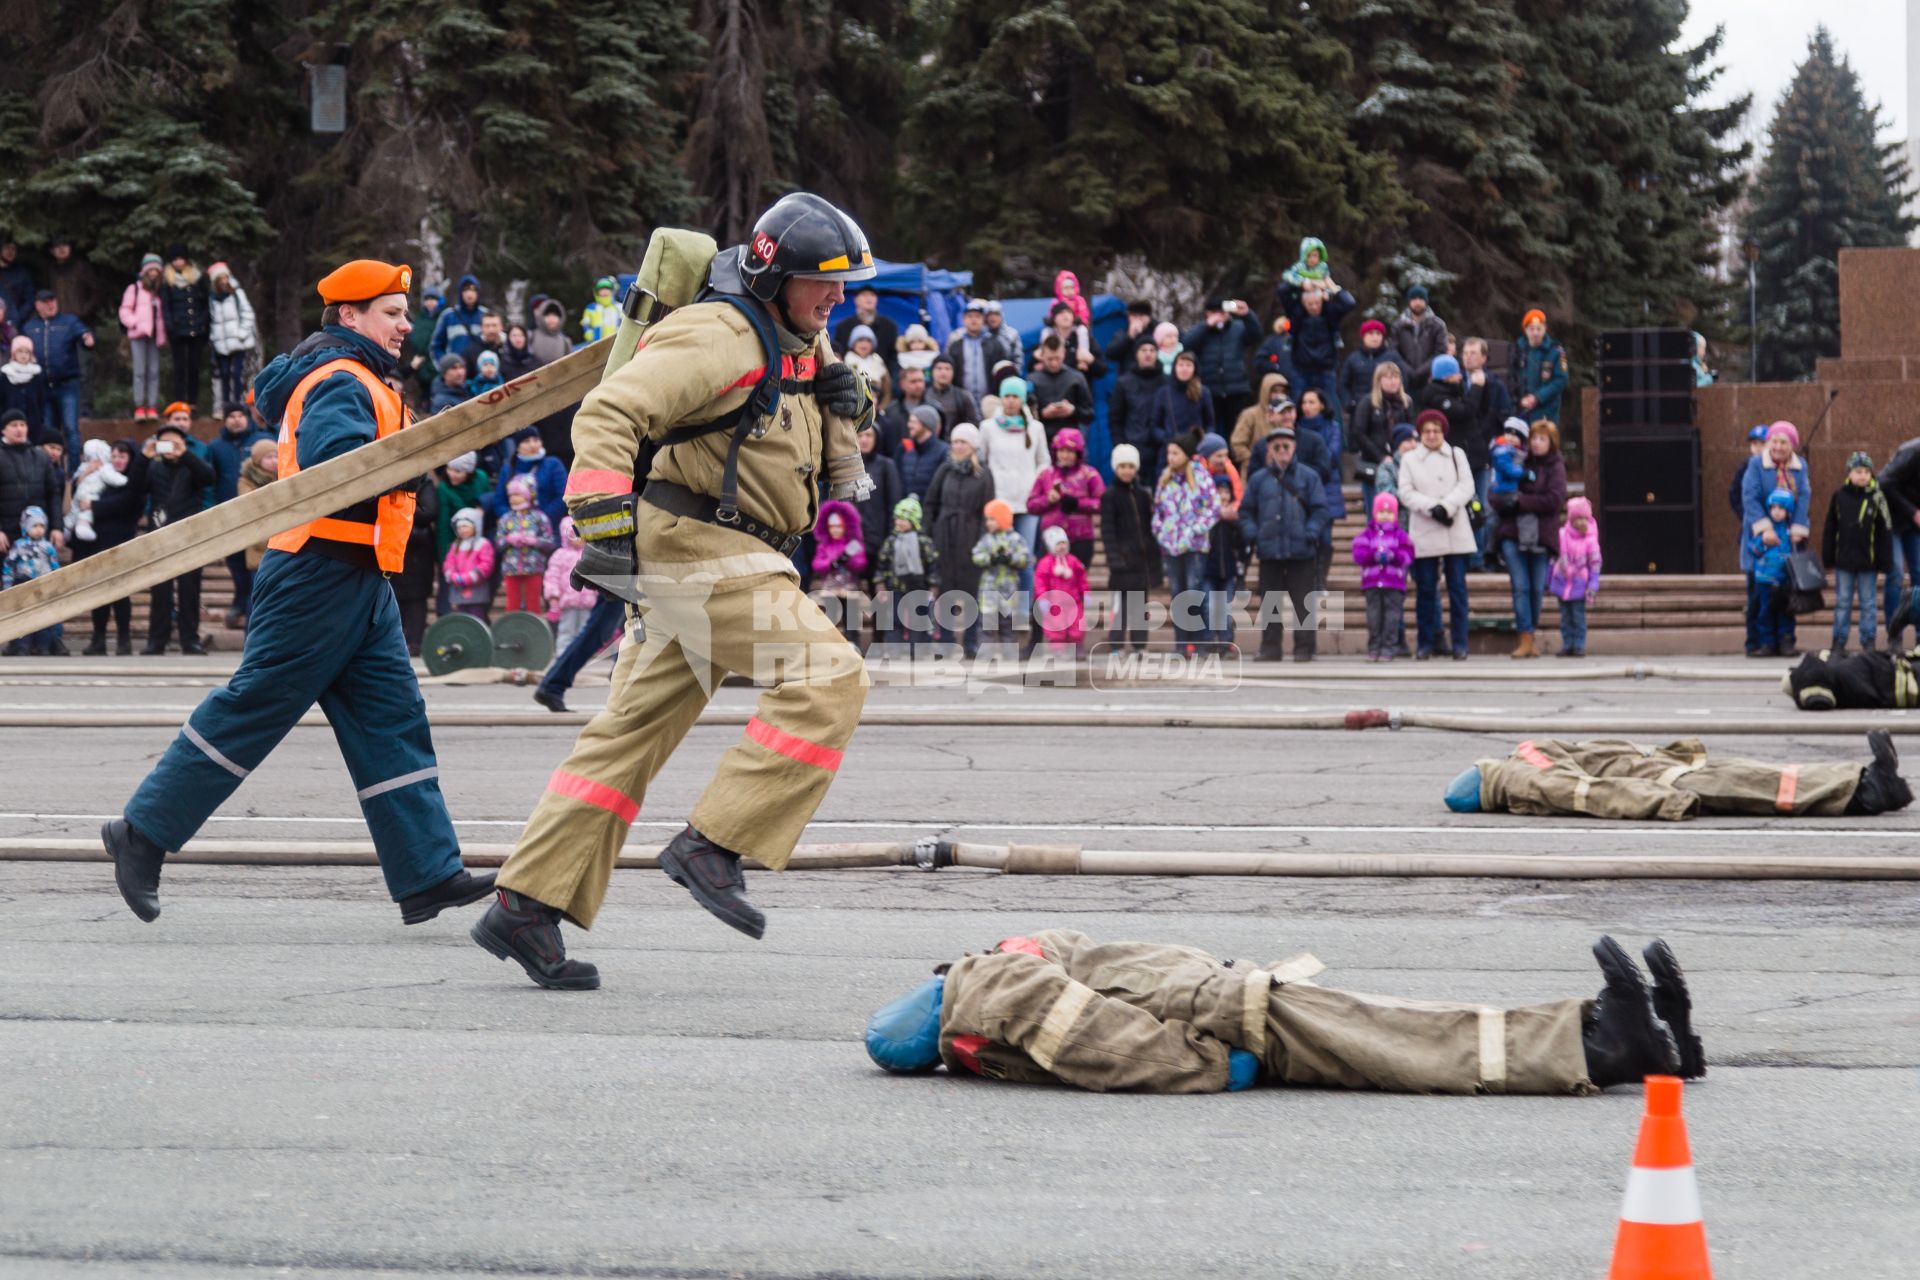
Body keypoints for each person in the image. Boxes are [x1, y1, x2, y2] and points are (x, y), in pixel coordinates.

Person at [473, 194, 880, 985]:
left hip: (728, 552)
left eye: (845, 283)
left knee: (625, 738)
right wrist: (600, 519)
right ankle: (713, 843)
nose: (839, 297)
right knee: (830, 678)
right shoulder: (719, 333)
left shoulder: (800, 335)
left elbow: (809, 420)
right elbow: (609, 412)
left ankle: (526, 905)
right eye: (823, 281)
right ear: (771, 275)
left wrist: (856, 399)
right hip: (700, 550)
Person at [102, 258, 496, 928]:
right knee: (256, 706)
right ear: (350, 315)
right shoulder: (342, 379)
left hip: (357, 573)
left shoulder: (365, 377)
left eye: (405, 313)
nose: (407, 324)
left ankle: (427, 872)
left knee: (392, 722)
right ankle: (141, 832)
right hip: (319, 571)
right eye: (393, 313)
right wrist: (414, 467)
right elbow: (336, 468)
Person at [864, 929, 1703, 1096]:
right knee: (1409, 1041)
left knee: (1407, 1035)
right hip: (1229, 1009)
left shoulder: (996, 987)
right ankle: (1608, 1045)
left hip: (1227, 1006)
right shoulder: (1003, 986)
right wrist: (1213, 1061)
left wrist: (1207, 1057)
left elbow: (1099, 1032)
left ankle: (1626, 1040)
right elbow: (1109, 1041)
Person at [1445, 732, 1910, 821]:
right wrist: (1660, 803)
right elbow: (1591, 792)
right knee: (1763, 785)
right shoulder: (1525, 768)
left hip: (1663, 775)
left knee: (1764, 780)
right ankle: (1868, 789)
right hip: (1665, 780)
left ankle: (1866, 780)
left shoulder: (1524, 772)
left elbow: (1590, 787)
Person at [1240, 423, 1327, 662]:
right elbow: (1246, 511)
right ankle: (1270, 647)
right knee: (1270, 604)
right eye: (1277, 446)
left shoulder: (1308, 477)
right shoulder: (1259, 479)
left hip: (1301, 551)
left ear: (1294, 447)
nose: (1282, 450)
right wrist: (1254, 534)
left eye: (1286, 445)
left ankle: (1305, 648)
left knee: (1303, 603)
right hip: (1269, 551)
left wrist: (1310, 532)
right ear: (1269, 449)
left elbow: (1320, 510)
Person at [1398, 408, 1475, 660]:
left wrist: (1447, 506)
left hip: (1455, 528)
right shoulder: (1410, 459)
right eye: (1427, 431)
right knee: (1426, 591)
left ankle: (1460, 643)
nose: (1432, 435)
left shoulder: (1456, 454)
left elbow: (1467, 485)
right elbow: (1405, 492)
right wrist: (1433, 508)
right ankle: (1426, 642)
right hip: (1425, 529)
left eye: (1436, 430)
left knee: (1457, 590)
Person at [140, 418, 215, 654]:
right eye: (165, 443)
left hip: (189, 534)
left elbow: (209, 477)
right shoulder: (153, 466)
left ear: (184, 444)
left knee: (190, 590)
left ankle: (190, 639)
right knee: (160, 590)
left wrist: (186, 455)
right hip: (159, 534)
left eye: (175, 443)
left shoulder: (191, 465)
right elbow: (135, 486)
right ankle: (157, 640)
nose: (170, 448)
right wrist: (145, 457)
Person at [1495, 419, 1568, 659]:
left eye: (1542, 439)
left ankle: (1531, 633)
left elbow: (1554, 499)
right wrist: (1506, 501)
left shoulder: (1555, 467)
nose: (1536, 444)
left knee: (1537, 588)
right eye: (1534, 439)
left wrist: (1521, 502)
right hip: (1512, 533)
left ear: (1551, 443)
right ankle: (1524, 637)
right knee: (1520, 586)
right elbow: (1497, 492)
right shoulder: (1515, 459)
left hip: (1542, 536)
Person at [1741, 421, 1811, 657]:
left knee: (1786, 599)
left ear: (1792, 445)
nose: (1779, 446)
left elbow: (1803, 499)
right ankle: (1756, 643)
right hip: (1762, 538)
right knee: (1757, 597)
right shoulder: (1756, 465)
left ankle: (1785, 642)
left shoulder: (1800, 467)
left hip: (1788, 543)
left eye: (1784, 442)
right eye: (1775, 441)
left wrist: (1799, 529)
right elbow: (1749, 497)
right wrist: (1765, 529)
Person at [925, 422, 995, 656]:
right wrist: (930, 533)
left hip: (971, 537)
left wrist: (983, 540)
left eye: (963, 441)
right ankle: (946, 641)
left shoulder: (984, 473)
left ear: (973, 445)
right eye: (955, 441)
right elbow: (931, 503)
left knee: (970, 592)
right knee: (945, 591)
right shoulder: (945, 470)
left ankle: (971, 641)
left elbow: (989, 509)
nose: (958, 446)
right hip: (945, 535)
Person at [1152, 431, 1220, 657]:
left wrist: (1195, 530)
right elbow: (1158, 510)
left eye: (1175, 453)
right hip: (1171, 546)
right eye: (1168, 453)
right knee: (1177, 593)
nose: (1170, 457)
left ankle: (1202, 641)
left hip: (1194, 546)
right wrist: (1160, 532)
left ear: (1187, 455)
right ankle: (1181, 644)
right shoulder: (1166, 479)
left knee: (1194, 591)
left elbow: (1212, 508)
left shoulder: (1201, 478)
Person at [977, 376, 1049, 590]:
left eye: (1015, 396)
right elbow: (982, 460)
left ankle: (1022, 612)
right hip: (998, 501)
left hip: (1027, 502)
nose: (1010, 401)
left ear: (1022, 399)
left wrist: (1037, 486)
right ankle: (995, 609)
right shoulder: (988, 427)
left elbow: (1044, 461)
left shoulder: (1035, 428)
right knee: (996, 558)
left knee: (1024, 558)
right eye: (1006, 396)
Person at [79, 438, 148, 654]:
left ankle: (123, 639)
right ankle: (98, 638)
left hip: (122, 540)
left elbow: (128, 502)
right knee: (99, 593)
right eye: (114, 456)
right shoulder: (103, 477)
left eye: (122, 456)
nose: (117, 461)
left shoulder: (133, 481)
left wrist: (95, 505)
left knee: (121, 593)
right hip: (98, 539)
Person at [206, 405, 272, 627]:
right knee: (235, 562)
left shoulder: (262, 439)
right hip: (230, 513)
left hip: (261, 516)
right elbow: (210, 480)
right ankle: (240, 598)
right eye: (231, 416)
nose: (236, 420)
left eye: (240, 416)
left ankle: (250, 603)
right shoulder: (216, 447)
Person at [1823, 451, 1893, 656]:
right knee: (1843, 601)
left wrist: (1885, 561)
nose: (1862, 476)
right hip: (1844, 561)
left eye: (1866, 472)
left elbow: (1885, 531)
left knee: (1869, 602)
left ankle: (1868, 640)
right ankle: (1839, 640)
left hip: (1868, 562)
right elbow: (1830, 528)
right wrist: (1828, 557)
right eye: (1858, 471)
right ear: (1849, 473)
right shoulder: (1839, 496)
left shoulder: (1878, 497)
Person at [1100, 443, 1161, 651]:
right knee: (1121, 608)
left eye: (1130, 466)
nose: (1127, 471)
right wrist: (1115, 558)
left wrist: (1153, 560)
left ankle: (1139, 646)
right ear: (1116, 468)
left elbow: (1149, 529)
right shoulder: (1109, 496)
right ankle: (1116, 646)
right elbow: (1107, 531)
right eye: (1122, 466)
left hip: (1141, 564)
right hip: (1122, 565)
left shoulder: (1143, 495)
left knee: (1140, 609)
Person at [22, 289, 94, 460]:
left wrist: (88, 338)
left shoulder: (69, 322)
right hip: (42, 386)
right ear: (37, 305)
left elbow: (84, 334)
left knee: (70, 428)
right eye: (46, 302)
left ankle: (74, 473)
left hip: (67, 385)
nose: (51, 305)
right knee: (48, 431)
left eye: (53, 300)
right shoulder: (30, 327)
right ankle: (52, 473)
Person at [1026, 426, 1104, 569]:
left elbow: (1102, 503)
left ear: (1078, 452)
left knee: (1075, 584)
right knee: (1050, 585)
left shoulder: (1089, 474)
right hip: (1051, 538)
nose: (1065, 455)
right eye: (1061, 450)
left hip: (1081, 538)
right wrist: (1047, 500)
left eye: (1070, 451)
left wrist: (1077, 503)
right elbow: (1031, 505)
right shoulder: (1046, 474)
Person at [1278, 280, 1355, 424]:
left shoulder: (1330, 312)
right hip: (1301, 369)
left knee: (1330, 408)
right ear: (1303, 302)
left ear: (1322, 300)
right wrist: (1301, 283)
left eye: (1317, 303)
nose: (1314, 307)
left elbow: (1349, 303)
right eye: (1309, 304)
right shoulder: (1296, 313)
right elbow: (1282, 290)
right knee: (1299, 408)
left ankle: (1335, 441)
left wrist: (1330, 285)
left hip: (1326, 369)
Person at [1195, 433, 1243, 652]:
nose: (1223, 459)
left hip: (1228, 566)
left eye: (1225, 455)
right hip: (1206, 563)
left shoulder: (1232, 517)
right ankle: (1206, 640)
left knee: (1225, 606)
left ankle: (1225, 642)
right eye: (1218, 455)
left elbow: (1240, 541)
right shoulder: (1197, 477)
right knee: (1207, 604)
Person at [1352, 492, 1414, 662]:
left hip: (1393, 582)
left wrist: (1394, 556)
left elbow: (1408, 554)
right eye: (1381, 512)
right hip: (1372, 582)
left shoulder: (1400, 535)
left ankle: (1389, 648)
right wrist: (1373, 556)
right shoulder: (1367, 534)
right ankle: (1374, 648)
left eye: (1389, 512)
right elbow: (1358, 554)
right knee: (1374, 617)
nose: (1385, 515)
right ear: (1375, 513)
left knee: (1392, 618)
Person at [1348, 359, 1415, 516]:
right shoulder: (1368, 402)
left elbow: (1411, 431)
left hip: (1402, 465)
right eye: (1387, 377)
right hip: (1374, 464)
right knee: (1376, 512)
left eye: (1395, 377)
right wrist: (1381, 456)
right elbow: (1359, 432)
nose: (1392, 382)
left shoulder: (1407, 402)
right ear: (1378, 380)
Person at [1294, 387, 1343, 591]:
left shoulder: (1332, 427)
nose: (1307, 407)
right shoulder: (1295, 429)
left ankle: (1320, 578)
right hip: (1300, 489)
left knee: (1324, 536)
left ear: (1322, 404)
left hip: (1327, 486)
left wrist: (1309, 468)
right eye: (1304, 402)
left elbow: (1331, 455)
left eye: (1312, 402)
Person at [1180, 297, 1259, 426]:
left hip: (1236, 389)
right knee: (1211, 427)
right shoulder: (1201, 330)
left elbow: (1256, 335)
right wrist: (1206, 325)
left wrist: (1247, 314)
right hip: (1211, 389)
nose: (1219, 317)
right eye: (1214, 313)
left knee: (1236, 428)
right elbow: (1186, 345)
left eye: (1222, 313)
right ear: (1207, 313)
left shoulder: (1238, 328)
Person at [876, 495, 938, 649]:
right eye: (897, 518)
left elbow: (932, 565)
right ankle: (894, 649)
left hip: (918, 588)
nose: (899, 522)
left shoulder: (924, 542)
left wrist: (933, 586)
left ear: (913, 521)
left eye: (903, 519)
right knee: (894, 620)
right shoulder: (891, 541)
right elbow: (882, 564)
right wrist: (880, 585)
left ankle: (919, 650)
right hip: (895, 588)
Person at [971, 498, 1031, 649]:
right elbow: (976, 556)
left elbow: (1025, 558)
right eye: (987, 519)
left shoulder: (1015, 539)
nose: (988, 523)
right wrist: (990, 559)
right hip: (989, 589)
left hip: (1009, 590)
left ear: (1001, 519)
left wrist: (1011, 559)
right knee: (986, 625)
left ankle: (1009, 655)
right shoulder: (986, 540)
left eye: (992, 519)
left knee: (1008, 626)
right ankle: (985, 654)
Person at [1107, 336, 1167, 486]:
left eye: (1152, 350)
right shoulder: (1124, 382)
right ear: (1136, 354)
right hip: (1133, 446)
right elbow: (1115, 418)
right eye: (1143, 350)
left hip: (1161, 448)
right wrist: (1121, 445)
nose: (1148, 354)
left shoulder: (1167, 382)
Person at [2, 504, 62, 653]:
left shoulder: (48, 547)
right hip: (24, 584)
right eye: (34, 525)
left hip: (44, 585)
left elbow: (54, 565)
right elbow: (9, 564)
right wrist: (8, 584)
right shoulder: (18, 546)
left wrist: (58, 582)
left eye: (42, 525)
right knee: (23, 616)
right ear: (25, 526)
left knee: (44, 616)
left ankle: (44, 646)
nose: (39, 529)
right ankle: (22, 645)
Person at [493, 475, 556, 614]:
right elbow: (498, 542)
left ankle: (535, 632)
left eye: (517, 494)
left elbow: (550, 542)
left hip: (534, 567)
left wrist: (534, 541)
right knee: (512, 605)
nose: (512, 498)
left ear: (529, 495)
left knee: (533, 604)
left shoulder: (540, 517)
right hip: (511, 568)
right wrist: (509, 540)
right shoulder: (506, 518)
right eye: (510, 495)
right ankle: (512, 632)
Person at [392, 470, 439, 655]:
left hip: (418, 552)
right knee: (395, 599)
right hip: (396, 550)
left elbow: (429, 511)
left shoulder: (424, 484)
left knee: (416, 601)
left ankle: (415, 642)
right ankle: (399, 643)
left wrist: (398, 509)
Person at [158, 247, 210, 411]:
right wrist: (171, 326)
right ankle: (180, 401)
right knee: (179, 368)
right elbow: (166, 306)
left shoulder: (197, 278)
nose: (178, 262)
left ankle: (193, 402)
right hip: (178, 330)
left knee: (194, 367)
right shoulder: (167, 281)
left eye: (181, 258)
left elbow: (205, 302)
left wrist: (203, 321)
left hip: (196, 329)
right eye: (175, 259)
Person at [1786, 647, 1920, 709]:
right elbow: (1819, 701)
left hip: (1893, 675)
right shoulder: (1814, 673)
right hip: (1894, 677)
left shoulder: (1820, 670)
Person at [1549, 496, 1601, 659]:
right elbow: (1553, 560)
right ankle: (1567, 644)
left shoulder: (1591, 540)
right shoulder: (1562, 535)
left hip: (1579, 585)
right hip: (1562, 583)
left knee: (1578, 617)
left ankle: (1579, 645)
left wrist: (1593, 585)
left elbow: (1595, 565)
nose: (1581, 522)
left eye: (1584, 518)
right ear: (1571, 519)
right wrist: (1549, 580)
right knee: (1565, 618)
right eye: (1577, 518)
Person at [810, 501, 868, 643]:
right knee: (831, 620)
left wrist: (848, 559)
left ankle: (854, 643)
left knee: (852, 620)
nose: (835, 530)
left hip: (850, 588)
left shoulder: (852, 544)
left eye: (838, 527)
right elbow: (817, 564)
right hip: (830, 589)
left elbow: (861, 563)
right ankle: (831, 645)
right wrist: (830, 563)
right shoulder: (824, 545)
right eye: (832, 527)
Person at [1749, 488, 1797, 657]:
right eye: (1773, 508)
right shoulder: (1763, 529)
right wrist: (1762, 541)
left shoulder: (1791, 531)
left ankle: (1786, 642)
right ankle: (1767, 643)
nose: (1776, 512)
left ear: (1788, 511)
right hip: (1765, 579)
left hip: (1784, 581)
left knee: (1786, 614)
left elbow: (1797, 553)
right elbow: (1753, 549)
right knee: (1765, 613)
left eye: (1781, 508)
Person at [119, 255, 168, 419]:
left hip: (156, 336)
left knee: (154, 371)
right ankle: (139, 406)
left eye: (156, 270)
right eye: (150, 270)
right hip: (139, 334)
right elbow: (124, 310)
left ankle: (152, 406)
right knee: (140, 371)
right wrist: (135, 323)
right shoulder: (135, 288)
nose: (153, 273)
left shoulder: (160, 290)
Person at [1150, 349, 1214, 472]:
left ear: (1194, 368)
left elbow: (1210, 423)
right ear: (1175, 367)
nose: (1184, 369)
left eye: (1188, 365)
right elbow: (1155, 425)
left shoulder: (1203, 392)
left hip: (1196, 452)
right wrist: (1167, 439)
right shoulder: (1164, 392)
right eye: (1181, 365)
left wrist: (1202, 441)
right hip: (1170, 452)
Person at [206, 262, 258, 415]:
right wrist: (215, 339)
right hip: (221, 344)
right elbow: (213, 320)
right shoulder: (212, 298)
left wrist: (241, 334)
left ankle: (238, 404)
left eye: (225, 278)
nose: (223, 281)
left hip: (237, 342)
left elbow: (248, 313)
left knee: (237, 374)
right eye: (220, 279)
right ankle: (224, 406)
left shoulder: (236, 294)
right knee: (223, 374)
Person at [1026, 335, 1093, 445]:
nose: (1054, 363)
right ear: (1042, 356)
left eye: (1058, 358)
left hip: (1071, 442)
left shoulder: (1076, 377)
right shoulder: (1032, 380)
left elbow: (1089, 414)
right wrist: (1042, 414)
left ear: (1064, 354)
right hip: (1043, 442)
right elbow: (1025, 416)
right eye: (1050, 359)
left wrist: (1072, 411)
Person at [1337, 318, 1406, 423]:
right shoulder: (1353, 358)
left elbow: (1403, 380)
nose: (1375, 337)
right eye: (1370, 333)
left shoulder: (1393, 357)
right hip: (1359, 408)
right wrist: (1349, 403)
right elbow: (1343, 384)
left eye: (1378, 334)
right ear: (1363, 336)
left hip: (1387, 409)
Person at [1033, 525, 1087, 654]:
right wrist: (1042, 598)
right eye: (1058, 544)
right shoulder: (1045, 563)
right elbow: (1040, 582)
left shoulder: (1073, 561)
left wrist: (1085, 593)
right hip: (1054, 603)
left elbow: (1081, 578)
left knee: (1077, 624)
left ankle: (1077, 647)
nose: (1062, 547)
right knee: (1055, 626)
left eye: (1064, 543)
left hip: (1073, 601)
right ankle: (1058, 650)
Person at [1510, 308, 1568, 426]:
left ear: (1545, 329)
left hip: (1547, 411)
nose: (1535, 333)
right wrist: (1520, 399)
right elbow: (1512, 376)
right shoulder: (1517, 350)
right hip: (1521, 410)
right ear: (1525, 330)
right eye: (1531, 329)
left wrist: (1537, 397)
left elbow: (1561, 380)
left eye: (1539, 328)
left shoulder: (1556, 351)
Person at [65, 437, 124, 545]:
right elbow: (75, 484)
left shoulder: (107, 469)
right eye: (114, 456)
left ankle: (81, 525)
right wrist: (86, 473)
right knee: (75, 509)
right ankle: (68, 527)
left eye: (121, 456)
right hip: (83, 494)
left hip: (95, 503)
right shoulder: (86, 467)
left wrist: (125, 481)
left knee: (84, 511)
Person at [1228, 374, 1292, 473]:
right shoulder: (1250, 414)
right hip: (1254, 471)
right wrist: (1254, 461)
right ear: (1266, 391)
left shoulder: (1289, 415)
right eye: (1275, 391)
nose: (1279, 395)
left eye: (1283, 391)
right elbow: (1237, 444)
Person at [834, 285, 900, 380]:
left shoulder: (889, 326)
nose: (869, 298)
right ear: (856, 300)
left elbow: (893, 358)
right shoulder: (844, 327)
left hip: (881, 380)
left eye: (872, 295)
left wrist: (892, 385)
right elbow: (839, 354)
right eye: (864, 295)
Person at [1389, 284, 1448, 388]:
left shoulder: (1437, 325)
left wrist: (1421, 371)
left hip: (1430, 380)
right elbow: (1393, 351)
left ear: (1426, 301)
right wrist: (1407, 370)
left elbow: (1440, 352)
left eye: (1421, 298)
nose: (1417, 302)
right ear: (1409, 302)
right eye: (1414, 298)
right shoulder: (1398, 326)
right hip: (1404, 379)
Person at [443, 508, 494, 620]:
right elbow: (448, 563)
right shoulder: (455, 546)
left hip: (477, 590)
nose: (462, 530)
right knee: (461, 618)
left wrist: (470, 577)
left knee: (477, 618)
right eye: (459, 527)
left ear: (475, 526)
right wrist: (452, 575)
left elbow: (486, 565)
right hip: (458, 591)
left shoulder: (483, 544)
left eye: (465, 526)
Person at [430, 274, 487, 365]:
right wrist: (445, 367)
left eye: (473, 289)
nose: (469, 293)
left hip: (481, 372)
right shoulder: (448, 315)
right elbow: (436, 347)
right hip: (455, 370)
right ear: (460, 292)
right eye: (465, 289)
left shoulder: (485, 315)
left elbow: (494, 342)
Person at [0, 333, 49, 439]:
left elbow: (41, 399)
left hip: (33, 423)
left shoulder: (37, 374)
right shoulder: (5, 374)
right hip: (9, 422)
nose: (23, 355)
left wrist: (40, 418)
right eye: (20, 351)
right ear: (14, 354)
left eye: (27, 352)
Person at [898, 404, 949, 499]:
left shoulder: (944, 452)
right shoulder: (908, 455)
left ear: (926, 424)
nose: (909, 425)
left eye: (913, 422)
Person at [924, 355, 980, 431]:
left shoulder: (963, 396)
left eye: (947, 369)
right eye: (939, 368)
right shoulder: (924, 394)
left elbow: (973, 423)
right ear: (932, 371)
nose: (943, 372)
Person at [844, 324, 889, 403]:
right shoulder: (847, 361)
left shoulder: (878, 361)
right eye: (860, 340)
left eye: (868, 340)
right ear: (853, 343)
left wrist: (882, 409)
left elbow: (887, 391)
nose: (864, 344)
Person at [982, 300, 1023, 374]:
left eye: (996, 314)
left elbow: (1018, 359)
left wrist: (1014, 375)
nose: (993, 317)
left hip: (1007, 377)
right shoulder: (981, 335)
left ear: (1001, 316)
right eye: (990, 314)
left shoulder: (1012, 334)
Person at [579, 276, 621, 344]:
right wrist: (590, 337)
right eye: (602, 289)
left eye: (607, 289)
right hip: (596, 343)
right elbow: (586, 324)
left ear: (612, 291)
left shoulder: (619, 307)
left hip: (616, 343)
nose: (604, 292)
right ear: (597, 292)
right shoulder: (591, 308)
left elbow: (623, 322)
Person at [530, 297, 571, 363]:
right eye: (547, 315)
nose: (551, 318)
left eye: (555, 315)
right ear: (541, 316)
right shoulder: (531, 337)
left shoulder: (565, 341)